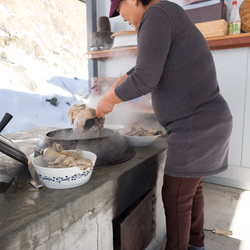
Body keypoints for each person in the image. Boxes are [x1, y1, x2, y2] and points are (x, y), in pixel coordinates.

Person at [95, 0, 233, 249]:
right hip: (206, 121)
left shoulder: (156, 14)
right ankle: (195, 244)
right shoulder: (167, 12)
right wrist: (113, 89)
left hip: (195, 126)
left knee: (176, 197)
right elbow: (140, 70)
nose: (120, 17)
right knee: (191, 190)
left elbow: (144, 78)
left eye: (119, 9)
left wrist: (109, 99)